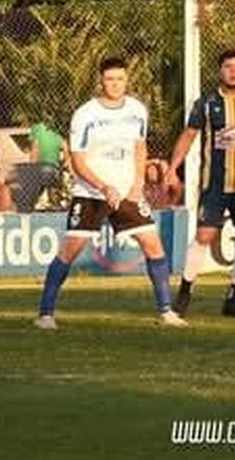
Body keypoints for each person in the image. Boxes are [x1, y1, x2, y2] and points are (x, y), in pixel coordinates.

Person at [35, 57, 184, 329]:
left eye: (120, 79)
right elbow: (77, 161)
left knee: (153, 244)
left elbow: (140, 148)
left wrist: (137, 182)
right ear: (101, 81)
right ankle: (45, 314)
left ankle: (166, 311)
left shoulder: (137, 110)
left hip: (127, 190)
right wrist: (104, 186)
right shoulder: (86, 114)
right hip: (91, 192)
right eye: (110, 79)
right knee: (70, 249)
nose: (115, 84)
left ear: (127, 80)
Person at [167, 48, 235, 318]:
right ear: (220, 71)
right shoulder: (206, 103)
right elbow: (189, 135)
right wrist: (172, 168)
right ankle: (185, 291)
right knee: (205, 236)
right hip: (214, 184)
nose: (233, 71)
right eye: (228, 66)